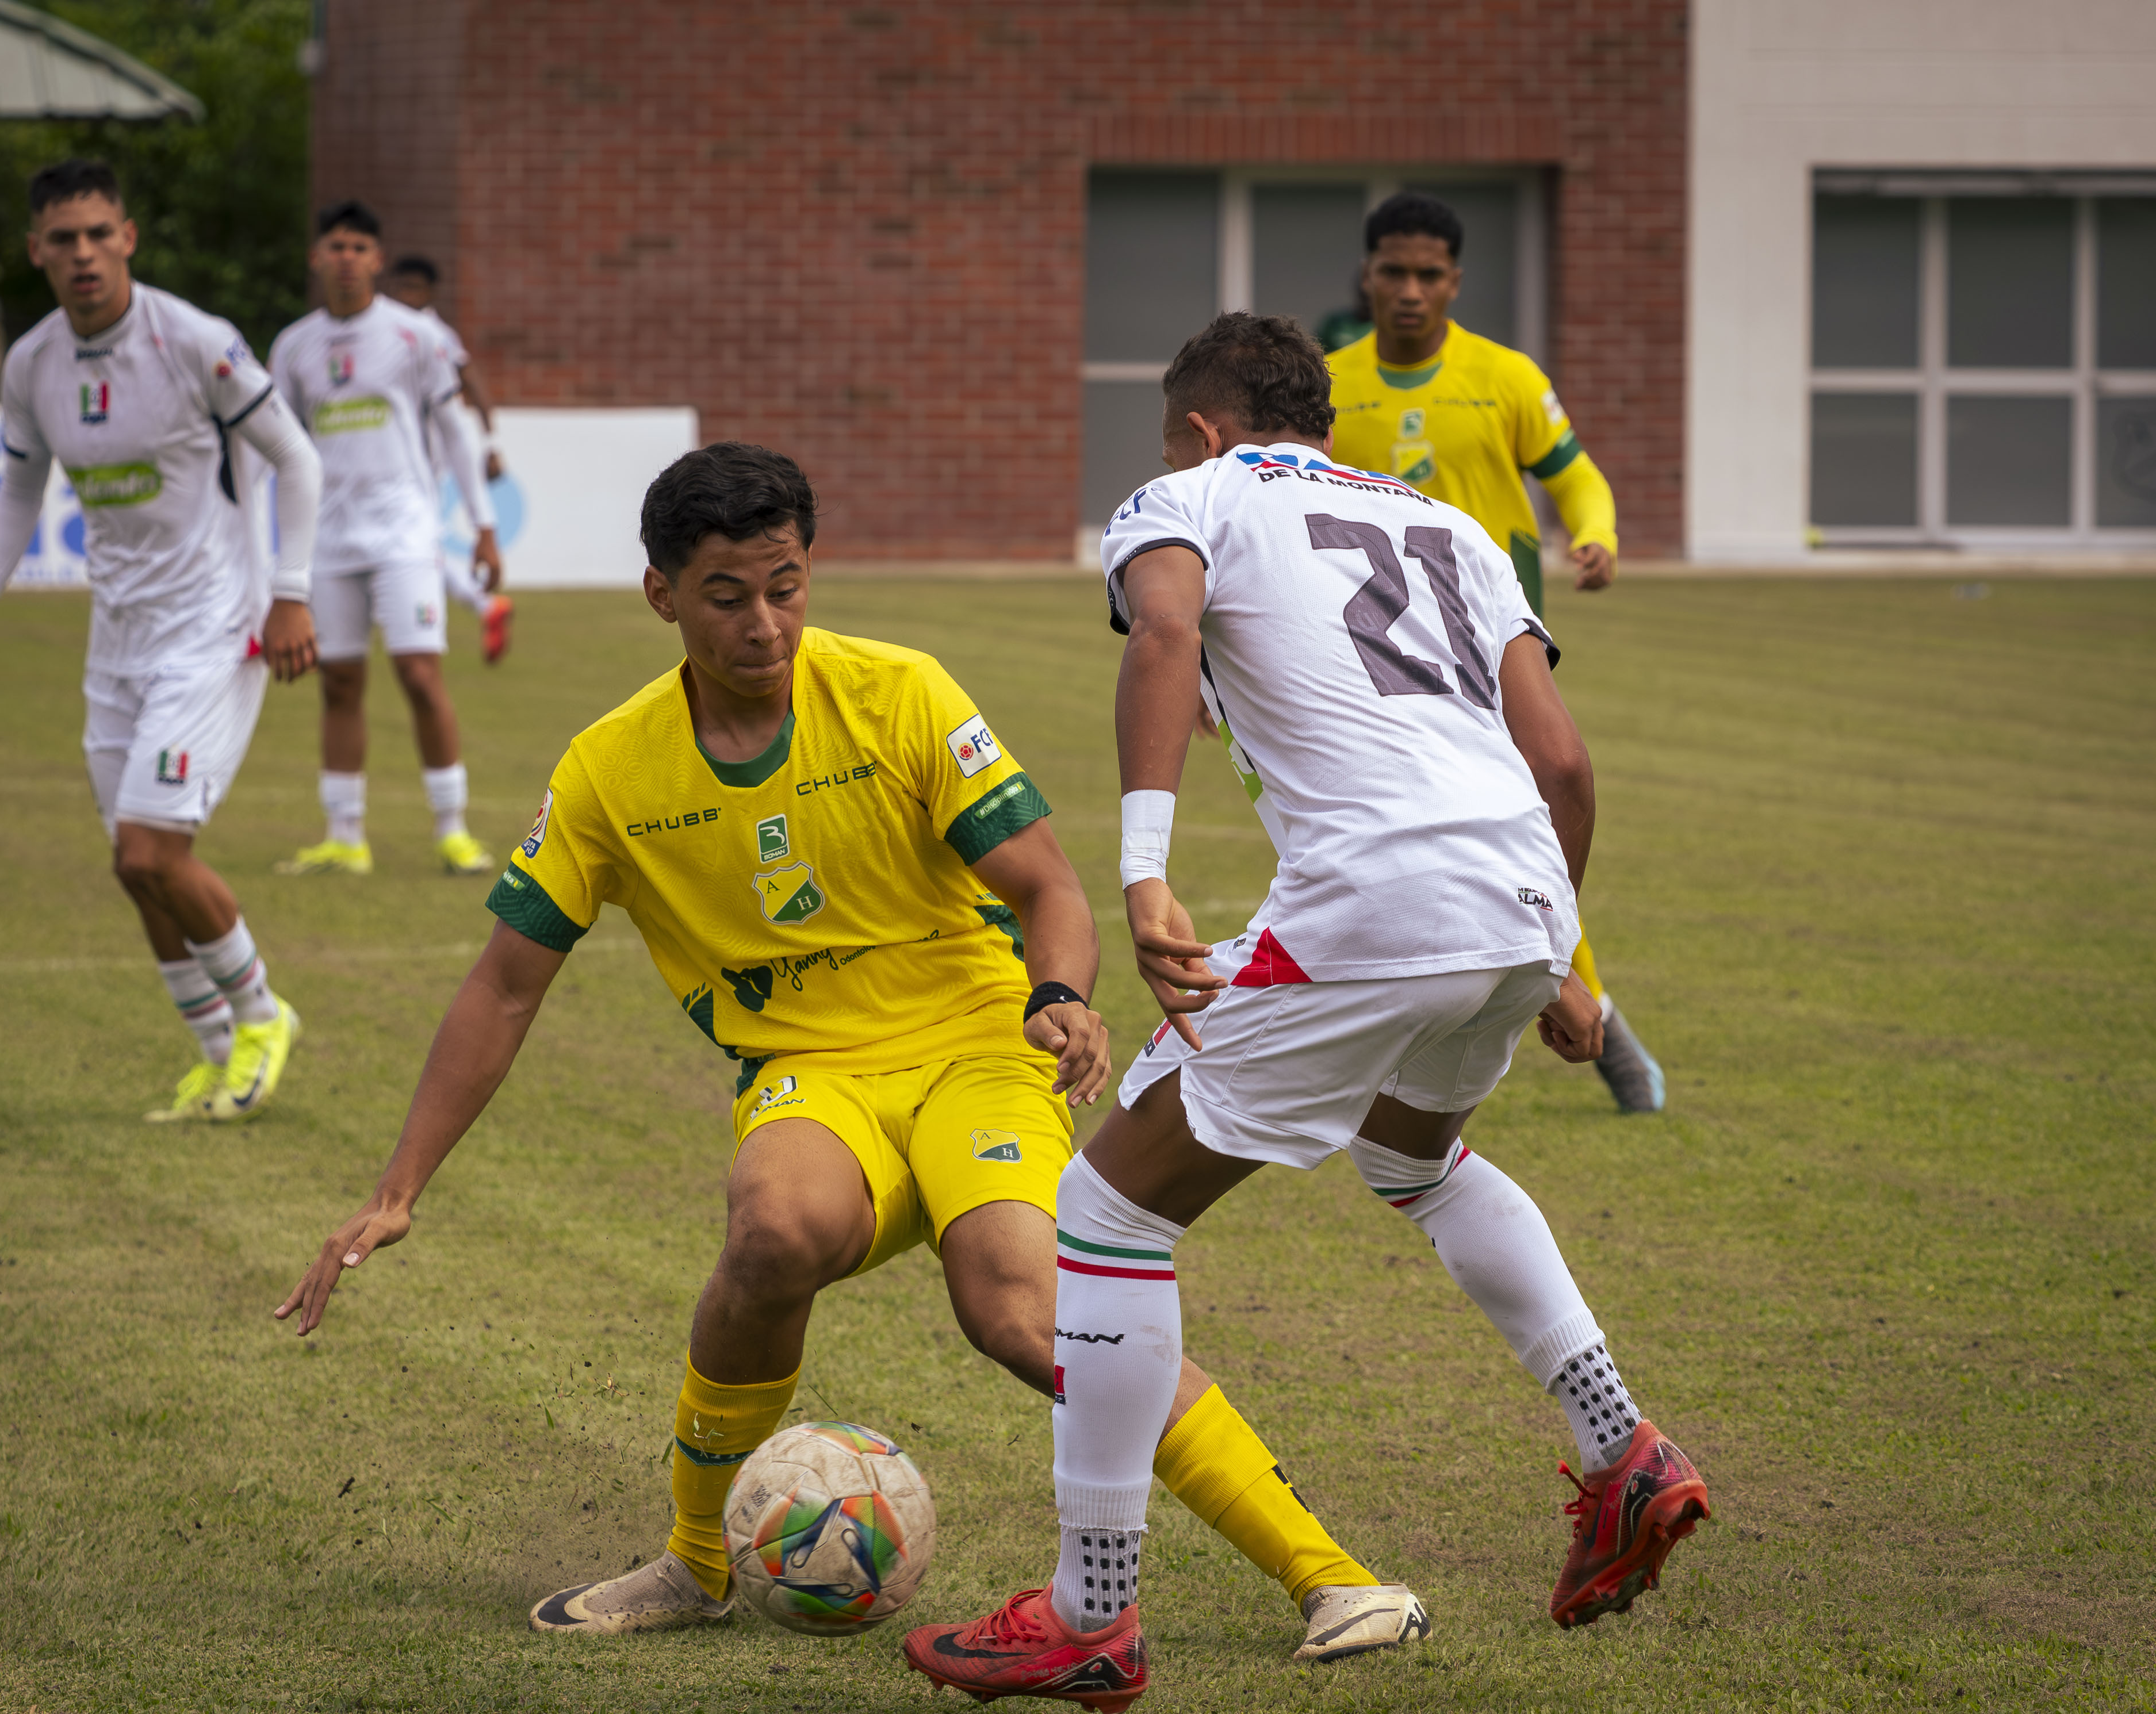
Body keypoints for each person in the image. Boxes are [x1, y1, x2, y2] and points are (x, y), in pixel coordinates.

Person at [276, 441, 1424, 1662]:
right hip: (808, 1073)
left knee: (1021, 1307)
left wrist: (1060, 994)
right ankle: (696, 1557)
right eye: (727, 595)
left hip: (977, 1046)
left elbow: (1047, 883)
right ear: (662, 594)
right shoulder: (611, 769)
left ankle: (1333, 1576)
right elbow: (505, 984)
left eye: (786, 585)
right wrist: (398, 1188)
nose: (764, 622)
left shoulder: (901, 693)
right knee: (770, 1231)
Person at [907, 315, 1709, 1708]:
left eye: (1166, 438)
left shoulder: (1191, 496)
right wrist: (1559, 960)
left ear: (1204, 431)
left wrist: (1144, 871)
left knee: (1102, 1215)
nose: (1157, 461)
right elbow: (1561, 761)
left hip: (1372, 901)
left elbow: (1160, 626)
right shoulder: (1453, 524)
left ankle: (1092, 1607)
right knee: (1411, 1157)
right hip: (1517, 890)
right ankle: (1619, 1441)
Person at [0, 158, 321, 1122]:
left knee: (151, 852)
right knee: (131, 869)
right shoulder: (31, 365)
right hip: (117, 645)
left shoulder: (194, 342)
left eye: (100, 234)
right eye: (63, 240)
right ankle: (217, 1055)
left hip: (213, 629)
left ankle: (265, 1017)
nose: (84, 254)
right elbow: (19, 490)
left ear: (128, 238)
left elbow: (296, 459)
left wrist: (290, 594)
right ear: (36, 253)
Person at [1324, 191, 1665, 1114]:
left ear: (1454, 282)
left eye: (1428, 275)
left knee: (1524, 817)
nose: (1409, 291)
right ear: (1367, 276)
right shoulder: (1323, 386)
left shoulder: (1506, 377)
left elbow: (1575, 475)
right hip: (1374, 660)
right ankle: (1499, 1015)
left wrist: (1598, 533)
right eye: (1392, 272)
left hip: (1499, 645)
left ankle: (1584, 1009)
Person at [269, 201, 501, 879]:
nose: (346, 257)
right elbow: (276, 449)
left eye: (358, 247)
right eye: (334, 245)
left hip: (404, 531)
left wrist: (483, 528)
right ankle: (345, 836)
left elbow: (455, 431)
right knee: (338, 680)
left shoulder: (414, 337)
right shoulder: (292, 347)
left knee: (419, 674)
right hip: (328, 540)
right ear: (317, 258)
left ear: (377, 259)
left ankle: (453, 829)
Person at [382, 255, 514, 666]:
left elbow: (473, 384)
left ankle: (481, 604)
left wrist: (491, 443)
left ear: (428, 293)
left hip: (427, 452)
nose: (406, 295)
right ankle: (482, 605)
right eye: (401, 287)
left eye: (414, 288)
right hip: (395, 451)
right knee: (415, 537)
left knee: (417, 537)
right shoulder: (387, 330)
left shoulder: (437, 335)